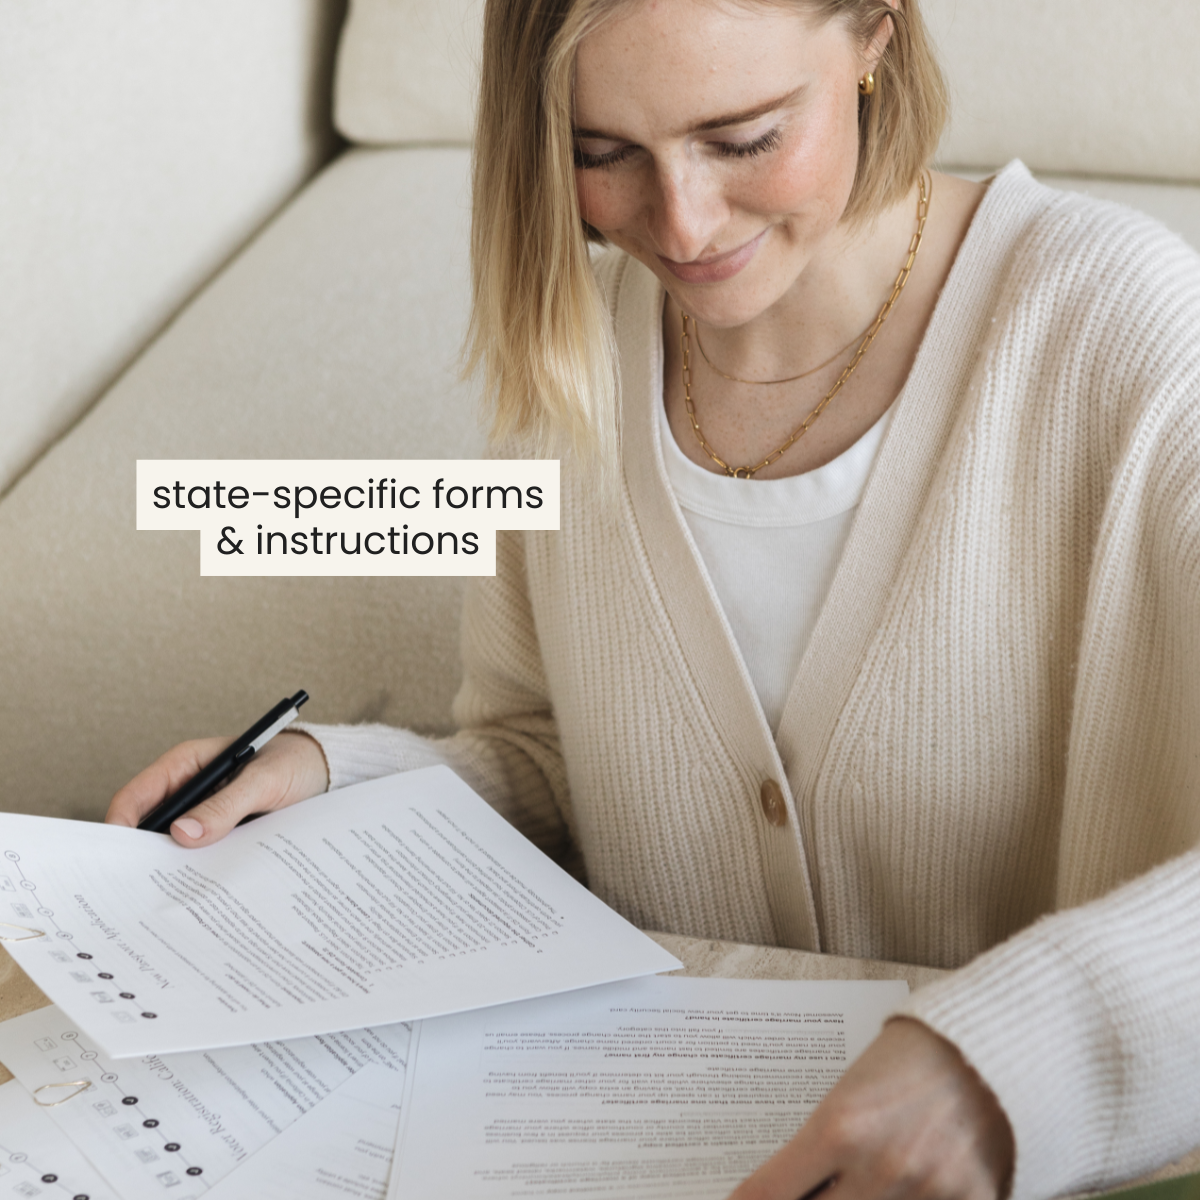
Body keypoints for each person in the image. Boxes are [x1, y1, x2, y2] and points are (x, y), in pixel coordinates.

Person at [107, 1, 1200, 1197]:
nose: (679, 224)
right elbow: (550, 759)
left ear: (877, 36)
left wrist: (1006, 1069)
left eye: (743, 138)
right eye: (600, 153)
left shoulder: (1130, 337)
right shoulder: (572, 368)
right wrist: (338, 788)